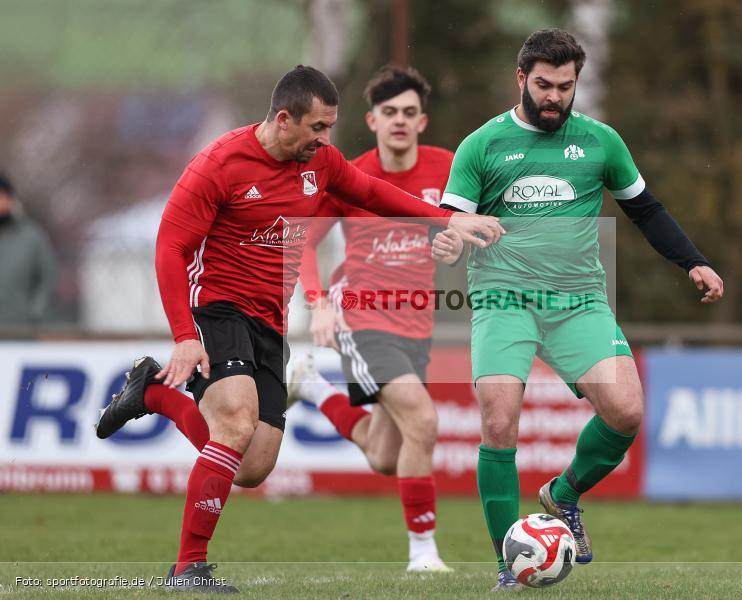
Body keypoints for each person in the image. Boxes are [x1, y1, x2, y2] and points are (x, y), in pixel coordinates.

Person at [94, 65, 503, 593]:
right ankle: (186, 569)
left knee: (250, 467)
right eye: (318, 128)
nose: (326, 140)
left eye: (330, 128)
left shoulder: (323, 163)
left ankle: (153, 393)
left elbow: (374, 195)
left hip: (271, 320)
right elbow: (169, 247)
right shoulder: (219, 164)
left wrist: (448, 220)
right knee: (237, 426)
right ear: (284, 120)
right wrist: (183, 334)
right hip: (218, 307)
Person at [430, 29, 724, 590]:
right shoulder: (481, 145)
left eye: (565, 87)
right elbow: (451, 223)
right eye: (543, 85)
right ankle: (508, 567)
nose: (553, 97)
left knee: (627, 413)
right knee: (498, 423)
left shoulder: (600, 142)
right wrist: (448, 241)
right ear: (521, 79)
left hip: (578, 301)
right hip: (503, 299)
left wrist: (693, 262)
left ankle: (561, 495)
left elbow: (646, 209)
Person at [287, 65, 452, 572]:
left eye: (408, 113)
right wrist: (318, 301)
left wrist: (454, 243)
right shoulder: (347, 175)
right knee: (423, 420)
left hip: (416, 324)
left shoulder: (446, 169)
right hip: (361, 316)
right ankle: (423, 554)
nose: (399, 121)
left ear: (422, 122)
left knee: (384, 455)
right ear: (372, 120)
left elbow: (466, 230)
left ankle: (312, 386)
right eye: (389, 113)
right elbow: (303, 244)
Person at [0, 172, 57, 328]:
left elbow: (47, 277)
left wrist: (34, 311)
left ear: (10, 199)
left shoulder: (31, 237)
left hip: (20, 329)